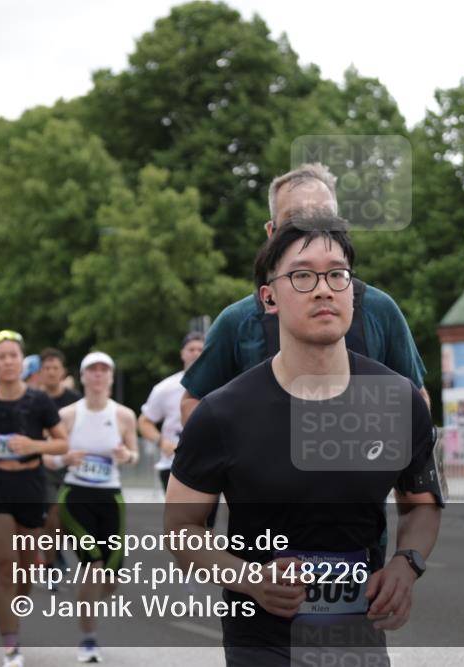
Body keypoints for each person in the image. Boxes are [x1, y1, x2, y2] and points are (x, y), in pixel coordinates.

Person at [165, 219, 443, 666]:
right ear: (268, 297)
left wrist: (406, 564)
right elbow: (181, 531)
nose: (323, 289)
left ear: (352, 291)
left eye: (337, 274)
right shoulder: (222, 413)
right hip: (263, 639)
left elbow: (422, 504)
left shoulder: (398, 400)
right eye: (302, 275)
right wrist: (251, 578)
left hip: (358, 639)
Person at [180, 163, 429, 424]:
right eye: (295, 221)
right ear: (271, 232)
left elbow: (416, 400)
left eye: (324, 219)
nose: (312, 232)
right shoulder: (238, 321)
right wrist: (242, 450)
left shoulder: (379, 310)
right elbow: (193, 401)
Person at [0, 330, 68, 667]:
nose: (7, 361)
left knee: (25, 570)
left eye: (13, 355)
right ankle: (10, 646)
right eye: (0, 356)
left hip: (30, 485)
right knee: (4, 565)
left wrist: (34, 445)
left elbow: (62, 443)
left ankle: (13, 618)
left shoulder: (39, 402)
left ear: (22, 361)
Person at [43, 351, 138, 663]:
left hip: (111, 497)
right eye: (92, 371)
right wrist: (64, 458)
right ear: (82, 377)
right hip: (75, 495)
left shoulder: (124, 415)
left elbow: (134, 454)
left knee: (109, 578)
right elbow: (47, 455)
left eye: (103, 371)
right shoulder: (68, 415)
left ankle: (85, 597)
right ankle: (88, 639)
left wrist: (126, 456)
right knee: (93, 563)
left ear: (110, 377)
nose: (98, 376)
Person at [36, 348, 82, 581]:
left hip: (71, 463)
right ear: (41, 372)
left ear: (63, 371)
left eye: (56, 368)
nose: (52, 373)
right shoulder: (34, 399)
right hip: (43, 465)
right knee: (52, 512)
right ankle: (51, 563)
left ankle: (56, 551)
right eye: (47, 368)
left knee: (66, 515)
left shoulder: (75, 399)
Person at [138, 332, 204, 494]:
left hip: (206, 463)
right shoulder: (165, 387)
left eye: (200, 349)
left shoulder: (221, 384)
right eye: (191, 349)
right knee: (178, 517)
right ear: (182, 353)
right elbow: (144, 421)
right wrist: (161, 442)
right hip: (173, 463)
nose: (195, 353)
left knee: (207, 519)